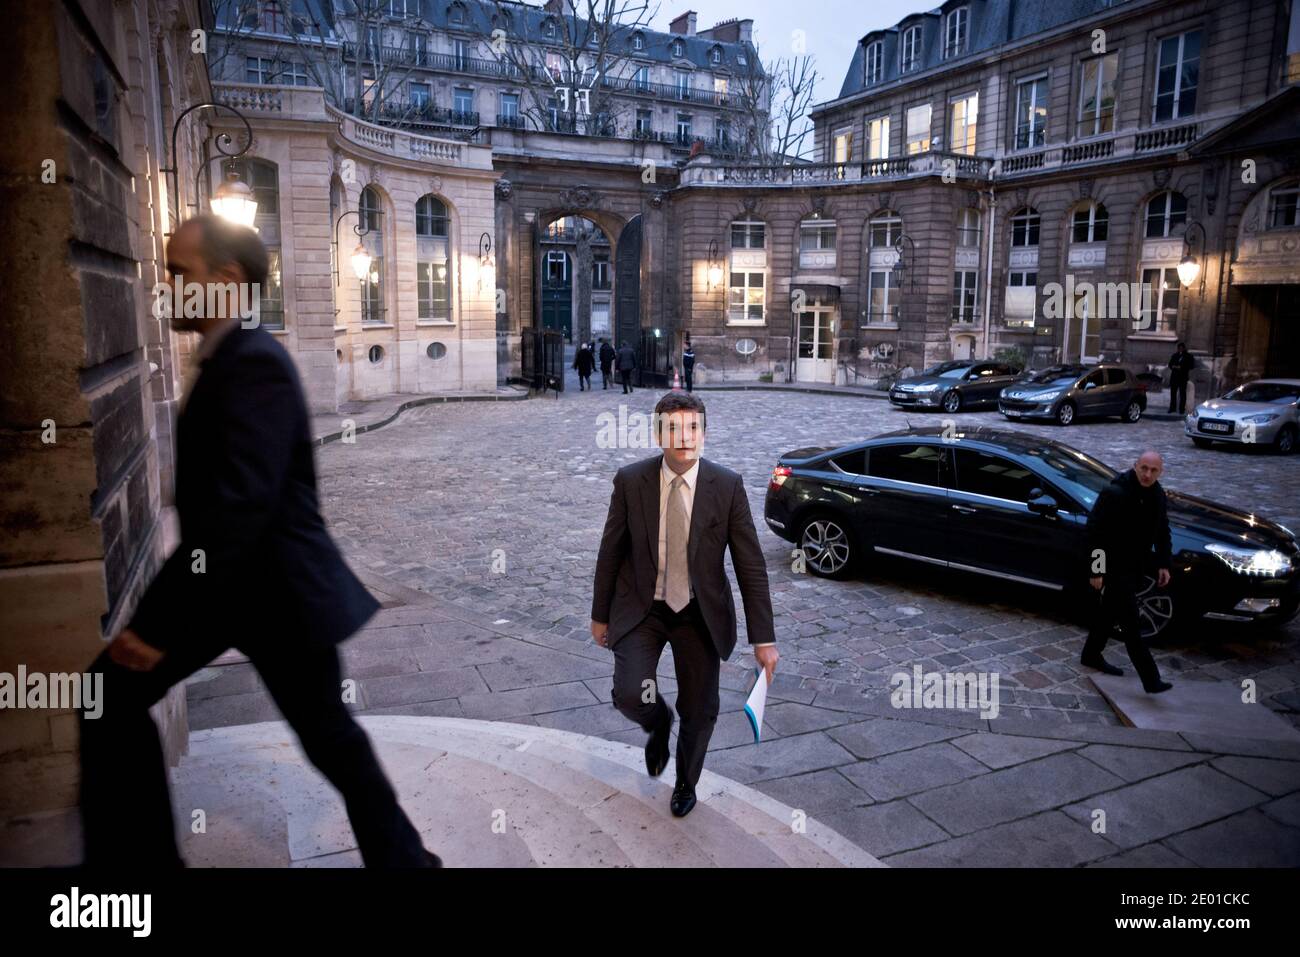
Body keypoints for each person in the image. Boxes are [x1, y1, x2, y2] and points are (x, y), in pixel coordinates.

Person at [77, 215, 440, 868]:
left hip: (276, 594)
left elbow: (236, 509)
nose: (167, 284)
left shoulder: (255, 364)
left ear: (225, 280)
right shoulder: (227, 356)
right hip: (238, 588)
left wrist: (155, 622)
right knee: (110, 696)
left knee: (330, 738)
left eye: (178, 271)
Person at [590, 392, 779, 817]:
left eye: (693, 428)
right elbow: (610, 552)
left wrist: (763, 639)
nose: (684, 437)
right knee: (628, 692)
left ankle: (685, 783)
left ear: (704, 434)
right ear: (659, 434)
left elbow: (751, 566)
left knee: (701, 707)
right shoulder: (631, 481)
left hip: (699, 613)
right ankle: (657, 722)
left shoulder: (726, 486)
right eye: (673, 428)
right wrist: (599, 615)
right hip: (644, 607)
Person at [1081, 450, 1174, 694]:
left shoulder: (1157, 494)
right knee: (1132, 625)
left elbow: (1162, 530)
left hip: (1135, 568)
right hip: (1113, 567)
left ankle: (1090, 655)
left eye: (1153, 470)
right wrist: (1097, 569)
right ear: (1135, 466)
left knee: (1108, 613)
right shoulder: (1115, 493)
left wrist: (1164, 563)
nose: (1147, 474)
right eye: (1143, 468)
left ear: (1160, 472)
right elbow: (1095, 533)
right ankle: (1151, 680)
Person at [1167, 342, 1195, 414]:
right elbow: (1170, 364)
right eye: (1179, 348)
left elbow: (1191, 366)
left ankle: (1181, 409)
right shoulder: (1175, 355)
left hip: (1183, 377)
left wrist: (1182, 367)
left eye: (1181, 348)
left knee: (1183, 394)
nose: (1180, 349)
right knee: (1173, 394)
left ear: (1184, 348)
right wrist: (1174, 366)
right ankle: (1172, 408)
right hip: (1174, 377)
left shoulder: (1188, 356)